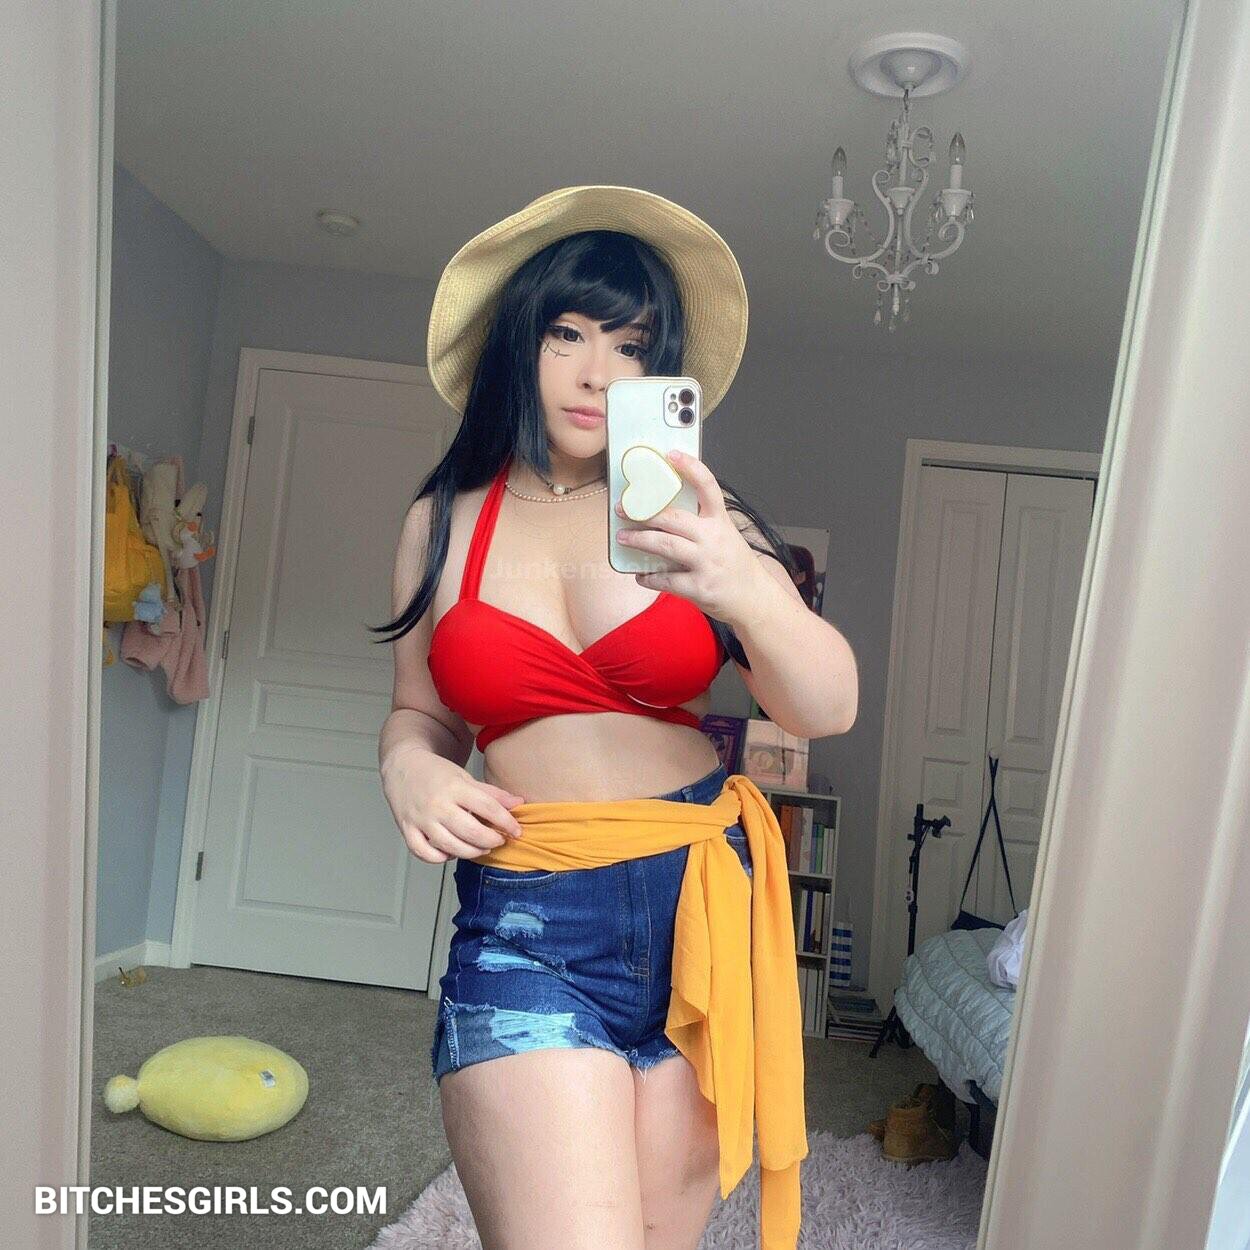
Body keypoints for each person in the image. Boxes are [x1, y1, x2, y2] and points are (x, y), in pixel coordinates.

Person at [373, 185, 857, 1250]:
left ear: (659, 370)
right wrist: (407, 764)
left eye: (631, 345)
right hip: (533, 911)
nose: (598, 372)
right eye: (569, 333)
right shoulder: (440, 522)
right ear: (519, 340)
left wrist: (743, 582)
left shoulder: (698, 517)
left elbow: (823, 705)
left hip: (700, 897)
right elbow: (419, 712)